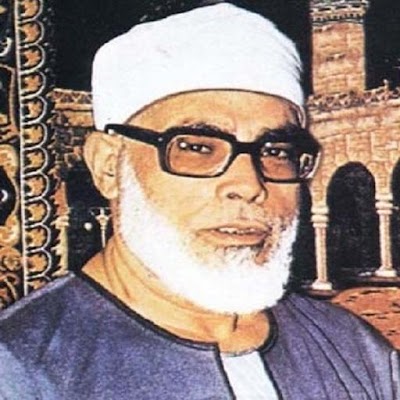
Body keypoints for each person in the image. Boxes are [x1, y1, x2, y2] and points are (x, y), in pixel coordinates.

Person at [0, 3, 398, 399]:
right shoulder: (19, 369)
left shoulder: (354, 350)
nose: (249, 184)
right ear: (108, 166)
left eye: (276, 151)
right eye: (196, 148)